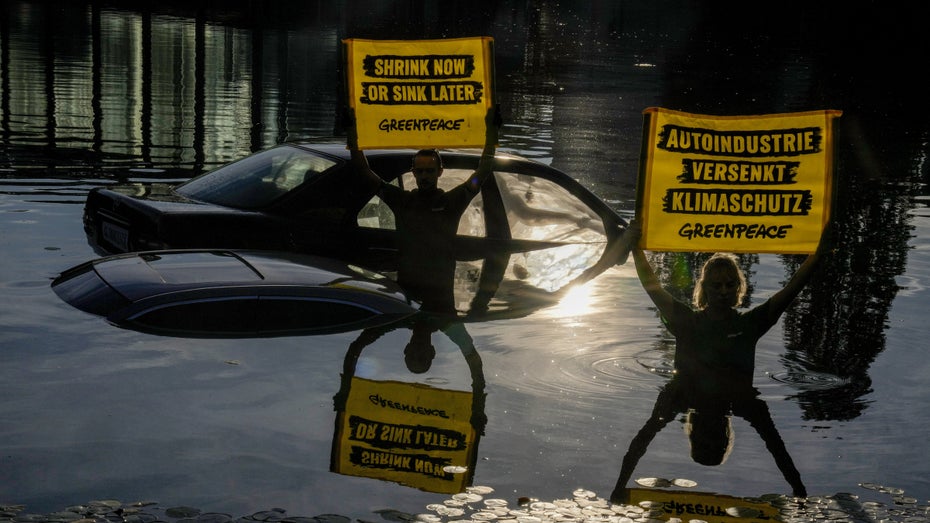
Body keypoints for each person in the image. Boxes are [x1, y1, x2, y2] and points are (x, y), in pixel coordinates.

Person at [609, 220, 830, 503]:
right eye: (716, 285)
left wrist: (818, 253)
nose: (723, 290)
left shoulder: (750, 327)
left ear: (739, 288)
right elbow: (652, 287)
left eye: (730, 284)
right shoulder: (686, 328)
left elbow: (792, 289)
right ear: (705, 288)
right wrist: (636, 246)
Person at [347, 106, 501, 315]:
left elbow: (483, 171)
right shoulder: (402, 200)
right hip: (407, 294)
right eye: (420, 171)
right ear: (414, 173)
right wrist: (352, 131)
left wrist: (492, 133)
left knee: (457, 339)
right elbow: (363, 171)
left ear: (440, 172)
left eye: (429, 171)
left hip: (440, 297)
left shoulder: (452, 202)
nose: (425, 176)